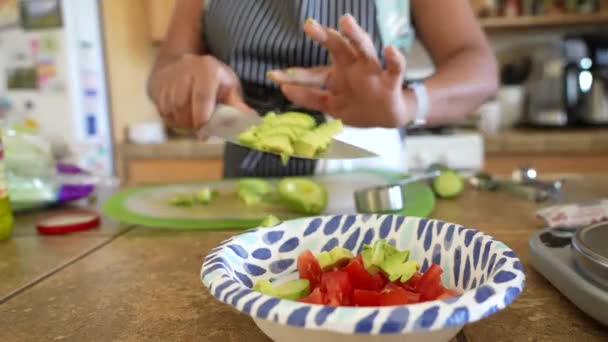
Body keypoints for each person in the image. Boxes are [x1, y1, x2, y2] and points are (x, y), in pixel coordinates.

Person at [148, 0, 498, 178]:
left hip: (364, 170)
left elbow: (477, 66)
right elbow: (165, 67)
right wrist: (181, 77)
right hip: (245, 173)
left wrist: (408, 104)